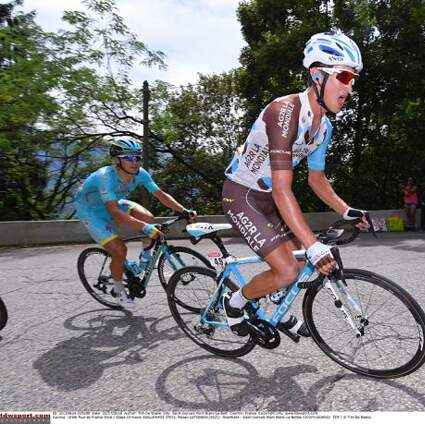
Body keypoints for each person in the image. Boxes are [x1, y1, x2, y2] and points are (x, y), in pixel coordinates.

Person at [221, 31, 367, 338]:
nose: (349, 87)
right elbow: (282, 188)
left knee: (300, 263)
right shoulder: (284, 112)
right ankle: (235, 302)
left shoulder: (324, 128)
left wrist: (346, 209)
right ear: (317, 75)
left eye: (353, 78)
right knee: (288, 269)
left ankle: (278, 309)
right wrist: (313, 245)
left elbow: (317, 179)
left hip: (271, 200)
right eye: (343, 76)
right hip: (242, 195)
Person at [74, 138, 196, 308]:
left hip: (114, 202)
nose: (135, 162)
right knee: (119, 249)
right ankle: (118, 289)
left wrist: (183, 210)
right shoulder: (104, 177)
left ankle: (142, 261)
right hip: (91, 212)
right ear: (116, 160)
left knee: (149, 218)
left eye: (138, 157)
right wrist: (146, 229)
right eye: (129, 158)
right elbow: (114, 212)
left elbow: (160, 194)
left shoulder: (140, 174)